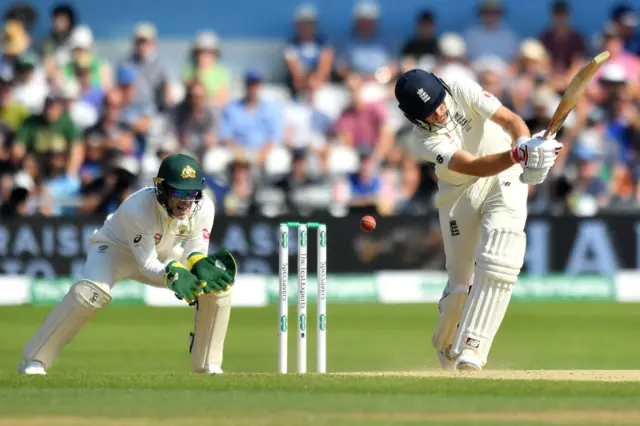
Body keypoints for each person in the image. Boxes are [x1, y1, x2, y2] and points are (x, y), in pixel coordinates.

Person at [394, 69, 561, 371]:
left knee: (501, 252)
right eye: (429, 113)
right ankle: (447, 345)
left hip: (505, 176)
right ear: (414, 118)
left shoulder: (459, 87)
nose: (440, 112)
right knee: (460, 287)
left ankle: (473, 347)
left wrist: (527, 148)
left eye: (439, 103)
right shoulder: (423, 141)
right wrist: (517, 154)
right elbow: (472, 167)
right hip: (459, 194)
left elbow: (511, 121)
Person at [18, 154, 237, 375]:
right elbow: (147, 264)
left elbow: (195, 251)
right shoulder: (138, 207)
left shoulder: (205, 206)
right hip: (114, 251)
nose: (186, 201)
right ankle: (35, 360)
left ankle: (209, 364)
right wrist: (173, 272)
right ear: (162, 189)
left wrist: (200, 266)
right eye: (179, 192)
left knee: (216, 288)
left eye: (192, 193)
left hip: (161, 252)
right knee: (90, 293)